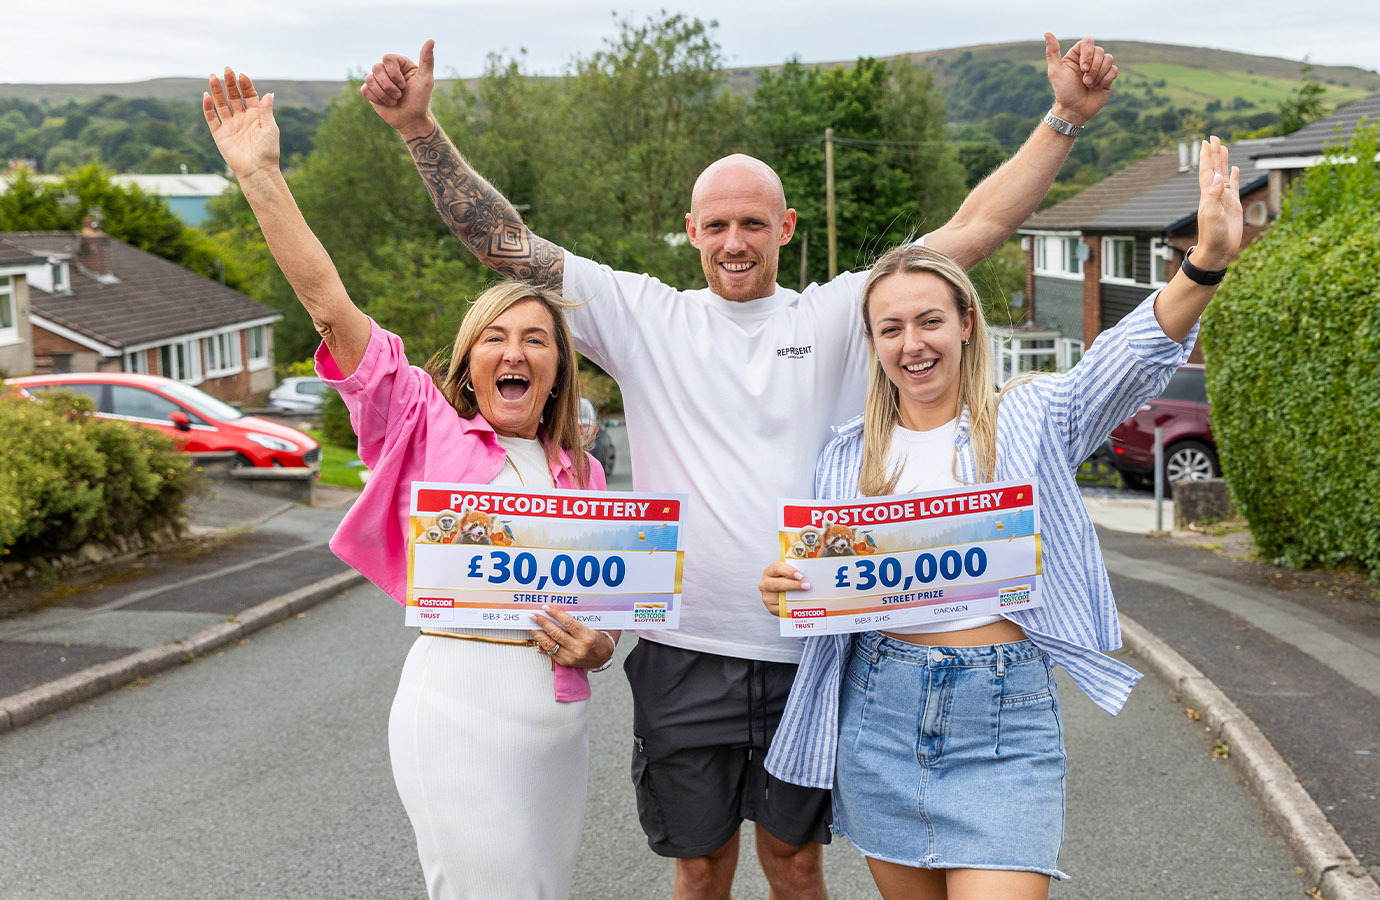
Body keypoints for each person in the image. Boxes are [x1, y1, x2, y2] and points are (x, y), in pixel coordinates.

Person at [360, 33, 1117, 899]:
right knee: (700, 867)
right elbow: (507, 245)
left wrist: (1064, 117)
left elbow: (973, 232)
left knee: (795, 866)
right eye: (716, 224)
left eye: (753, 222)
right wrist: (419, 129)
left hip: (811, 648)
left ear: (785, 228)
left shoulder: (837, 312)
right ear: (691, 232)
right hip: (682, 649)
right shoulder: (643, 314)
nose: (734, 241)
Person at [755, 139, 1244, 899]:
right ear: (874, 343)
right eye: (891, 330)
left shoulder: (1032, 418)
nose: (912, 345)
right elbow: (826, 591)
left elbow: (1125, 356)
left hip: (1004, 720)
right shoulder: (844, 460)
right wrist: (787, 588)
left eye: (928, 322)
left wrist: (1204, 264)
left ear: (966, 326)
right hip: (880, 715)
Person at [202, 69, 619, 900]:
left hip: (559, 730)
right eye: (494, 337)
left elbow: (602, 619)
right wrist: (260, 175)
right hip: (459, 711)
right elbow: (327, 302)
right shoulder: (421, 421)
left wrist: (599, 647)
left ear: (558, 368)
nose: (515, 352)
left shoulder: (586, 472)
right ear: (469, 362)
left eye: (536, 339)